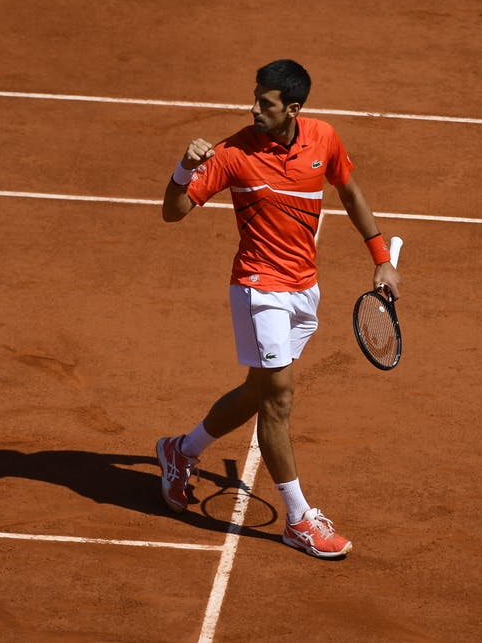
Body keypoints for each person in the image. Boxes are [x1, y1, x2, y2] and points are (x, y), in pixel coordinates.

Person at [156, 59, 401, 559]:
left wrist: (381, 259)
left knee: (257, 390)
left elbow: (350, 193)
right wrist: (185, 167)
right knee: (279, 399)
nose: (254, 108)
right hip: (257, 288)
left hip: (304, 290)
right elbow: (172, 211)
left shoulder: (323, 139)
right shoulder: (232, 153)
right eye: (255, 98)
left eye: (264, 103)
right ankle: (299, 519)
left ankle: (180, 451)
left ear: (292, 108)